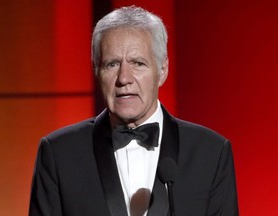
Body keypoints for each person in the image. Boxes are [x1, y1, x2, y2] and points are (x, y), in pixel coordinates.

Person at [29, 6, 239, 216]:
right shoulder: (59, 154)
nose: (123, 78)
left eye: (138, 63)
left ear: (162, 70)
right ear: (96, 70)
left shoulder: (211, 153)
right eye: (112, 64)